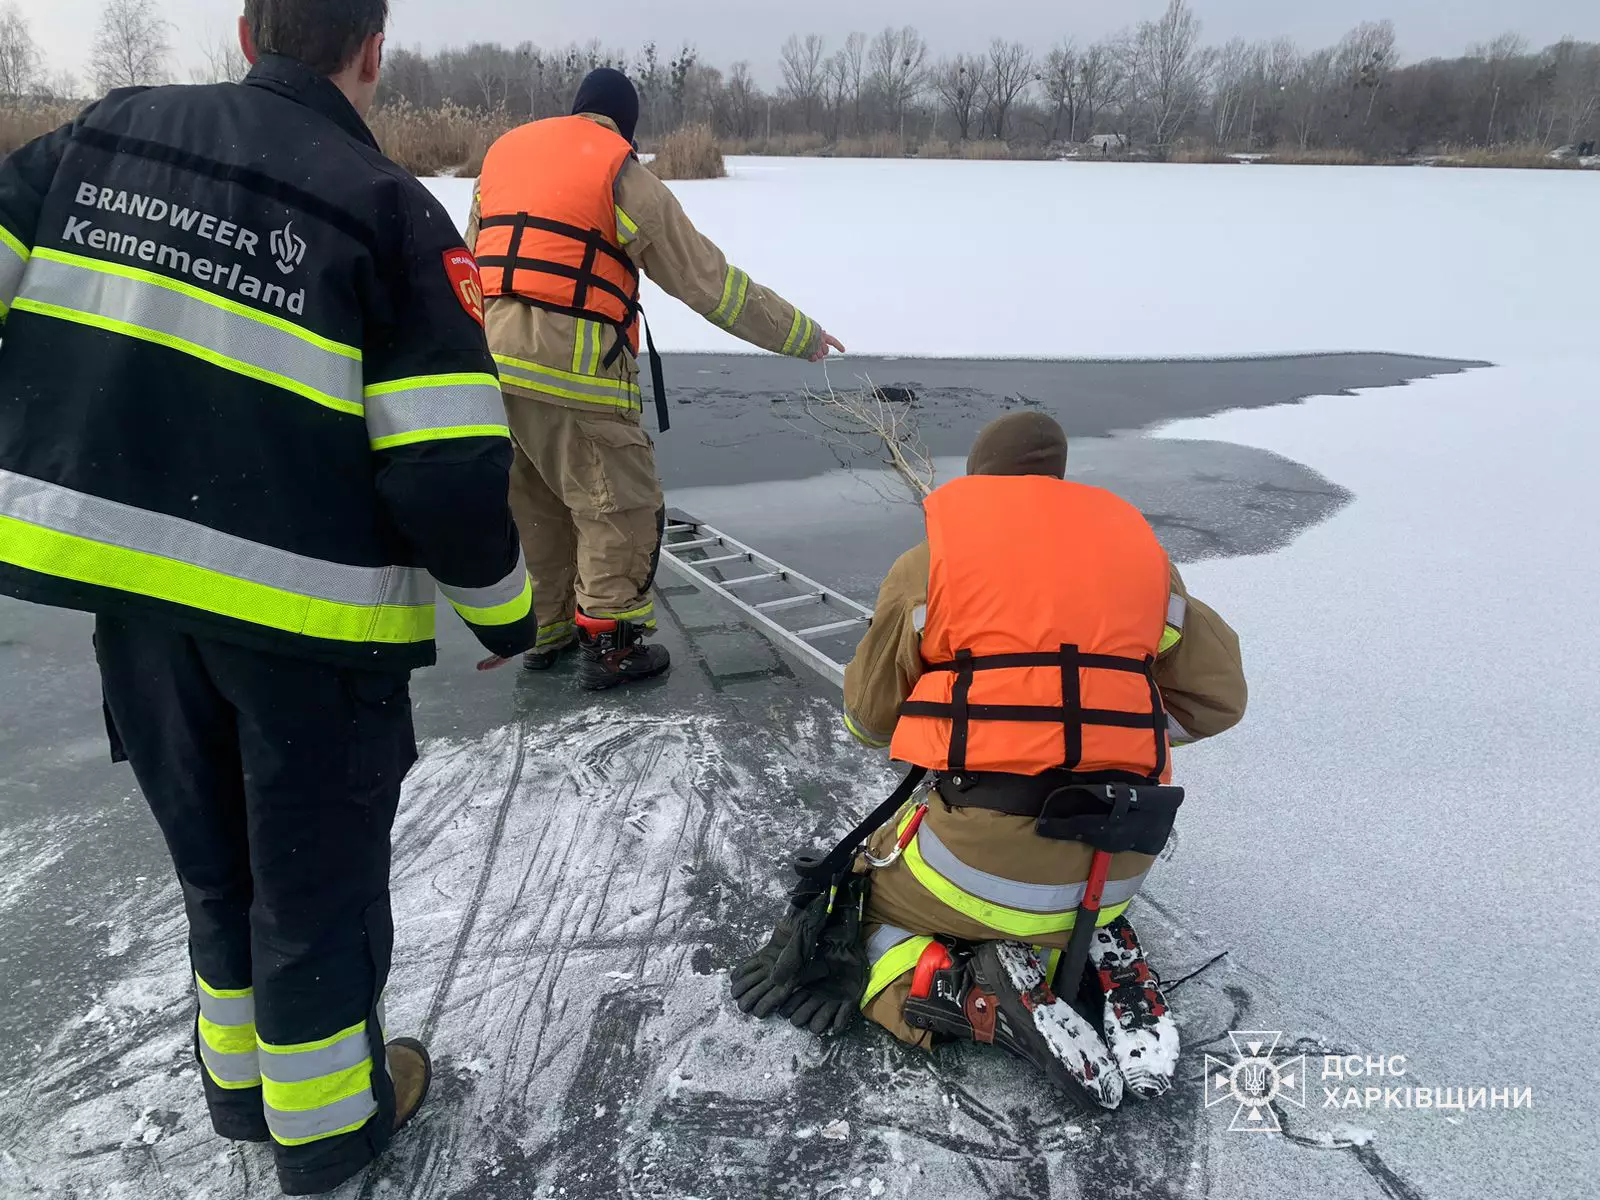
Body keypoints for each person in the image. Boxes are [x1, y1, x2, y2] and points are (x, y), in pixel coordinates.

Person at [0, 1, 537, 1192]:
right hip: (307, 635)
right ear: (372, 49)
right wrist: (505, 612)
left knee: (216, 868)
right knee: (312, 892)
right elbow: (445, 462)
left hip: (133, 609)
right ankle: (330, 1130)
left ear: (247, 31)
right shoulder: (387, 207)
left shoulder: (105, 137)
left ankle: (243, 1097)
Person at [734, 413, 1247, 1109]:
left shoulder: (930, 565)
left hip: (979, 868)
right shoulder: (1150, 568)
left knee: (852, 910)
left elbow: (867, 720)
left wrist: (976, 716)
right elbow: (1219, 702)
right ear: (1060, 480)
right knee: (1071, 887)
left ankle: (964, 993)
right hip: (1121, 855)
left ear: (979, 480)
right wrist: (1109, 731)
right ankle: (1090, 948)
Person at [466, 68, 845, 688]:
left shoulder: (501, 164)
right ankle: (612, 646)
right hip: (577, 377)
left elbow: (468, 262)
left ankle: (550, 629)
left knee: (536, 502)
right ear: (626, 125)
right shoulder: (623, 179)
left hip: (491, 371)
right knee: (618, 505)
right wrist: (798, 335)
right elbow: (711, 285)